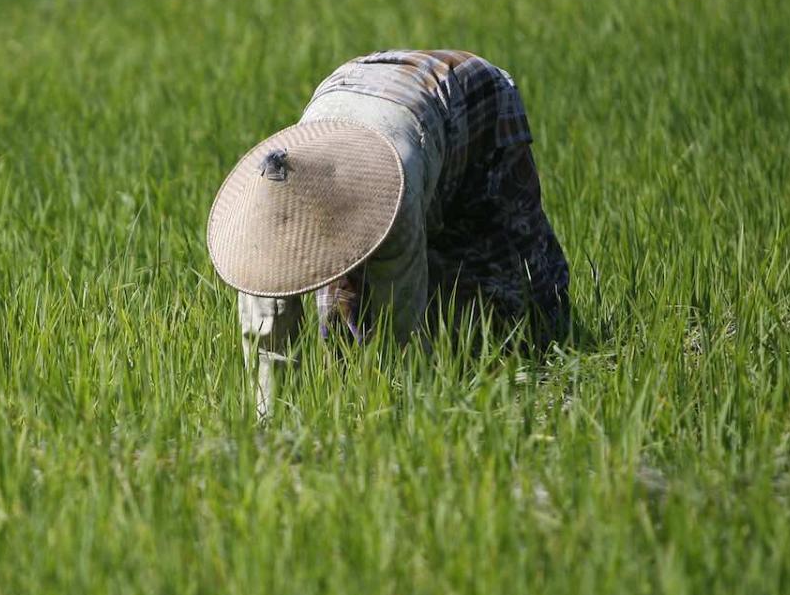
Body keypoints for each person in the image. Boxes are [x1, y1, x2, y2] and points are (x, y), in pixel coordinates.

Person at [206, 49, 570, 417]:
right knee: (342, 324)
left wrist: (392, 411)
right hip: (351, 92)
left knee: (510, 288)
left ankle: (549, 345)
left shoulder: (395, 194)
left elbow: (401, 325)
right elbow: (267, 339)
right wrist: (271, 422)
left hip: (466, 100)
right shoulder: (257, 234)